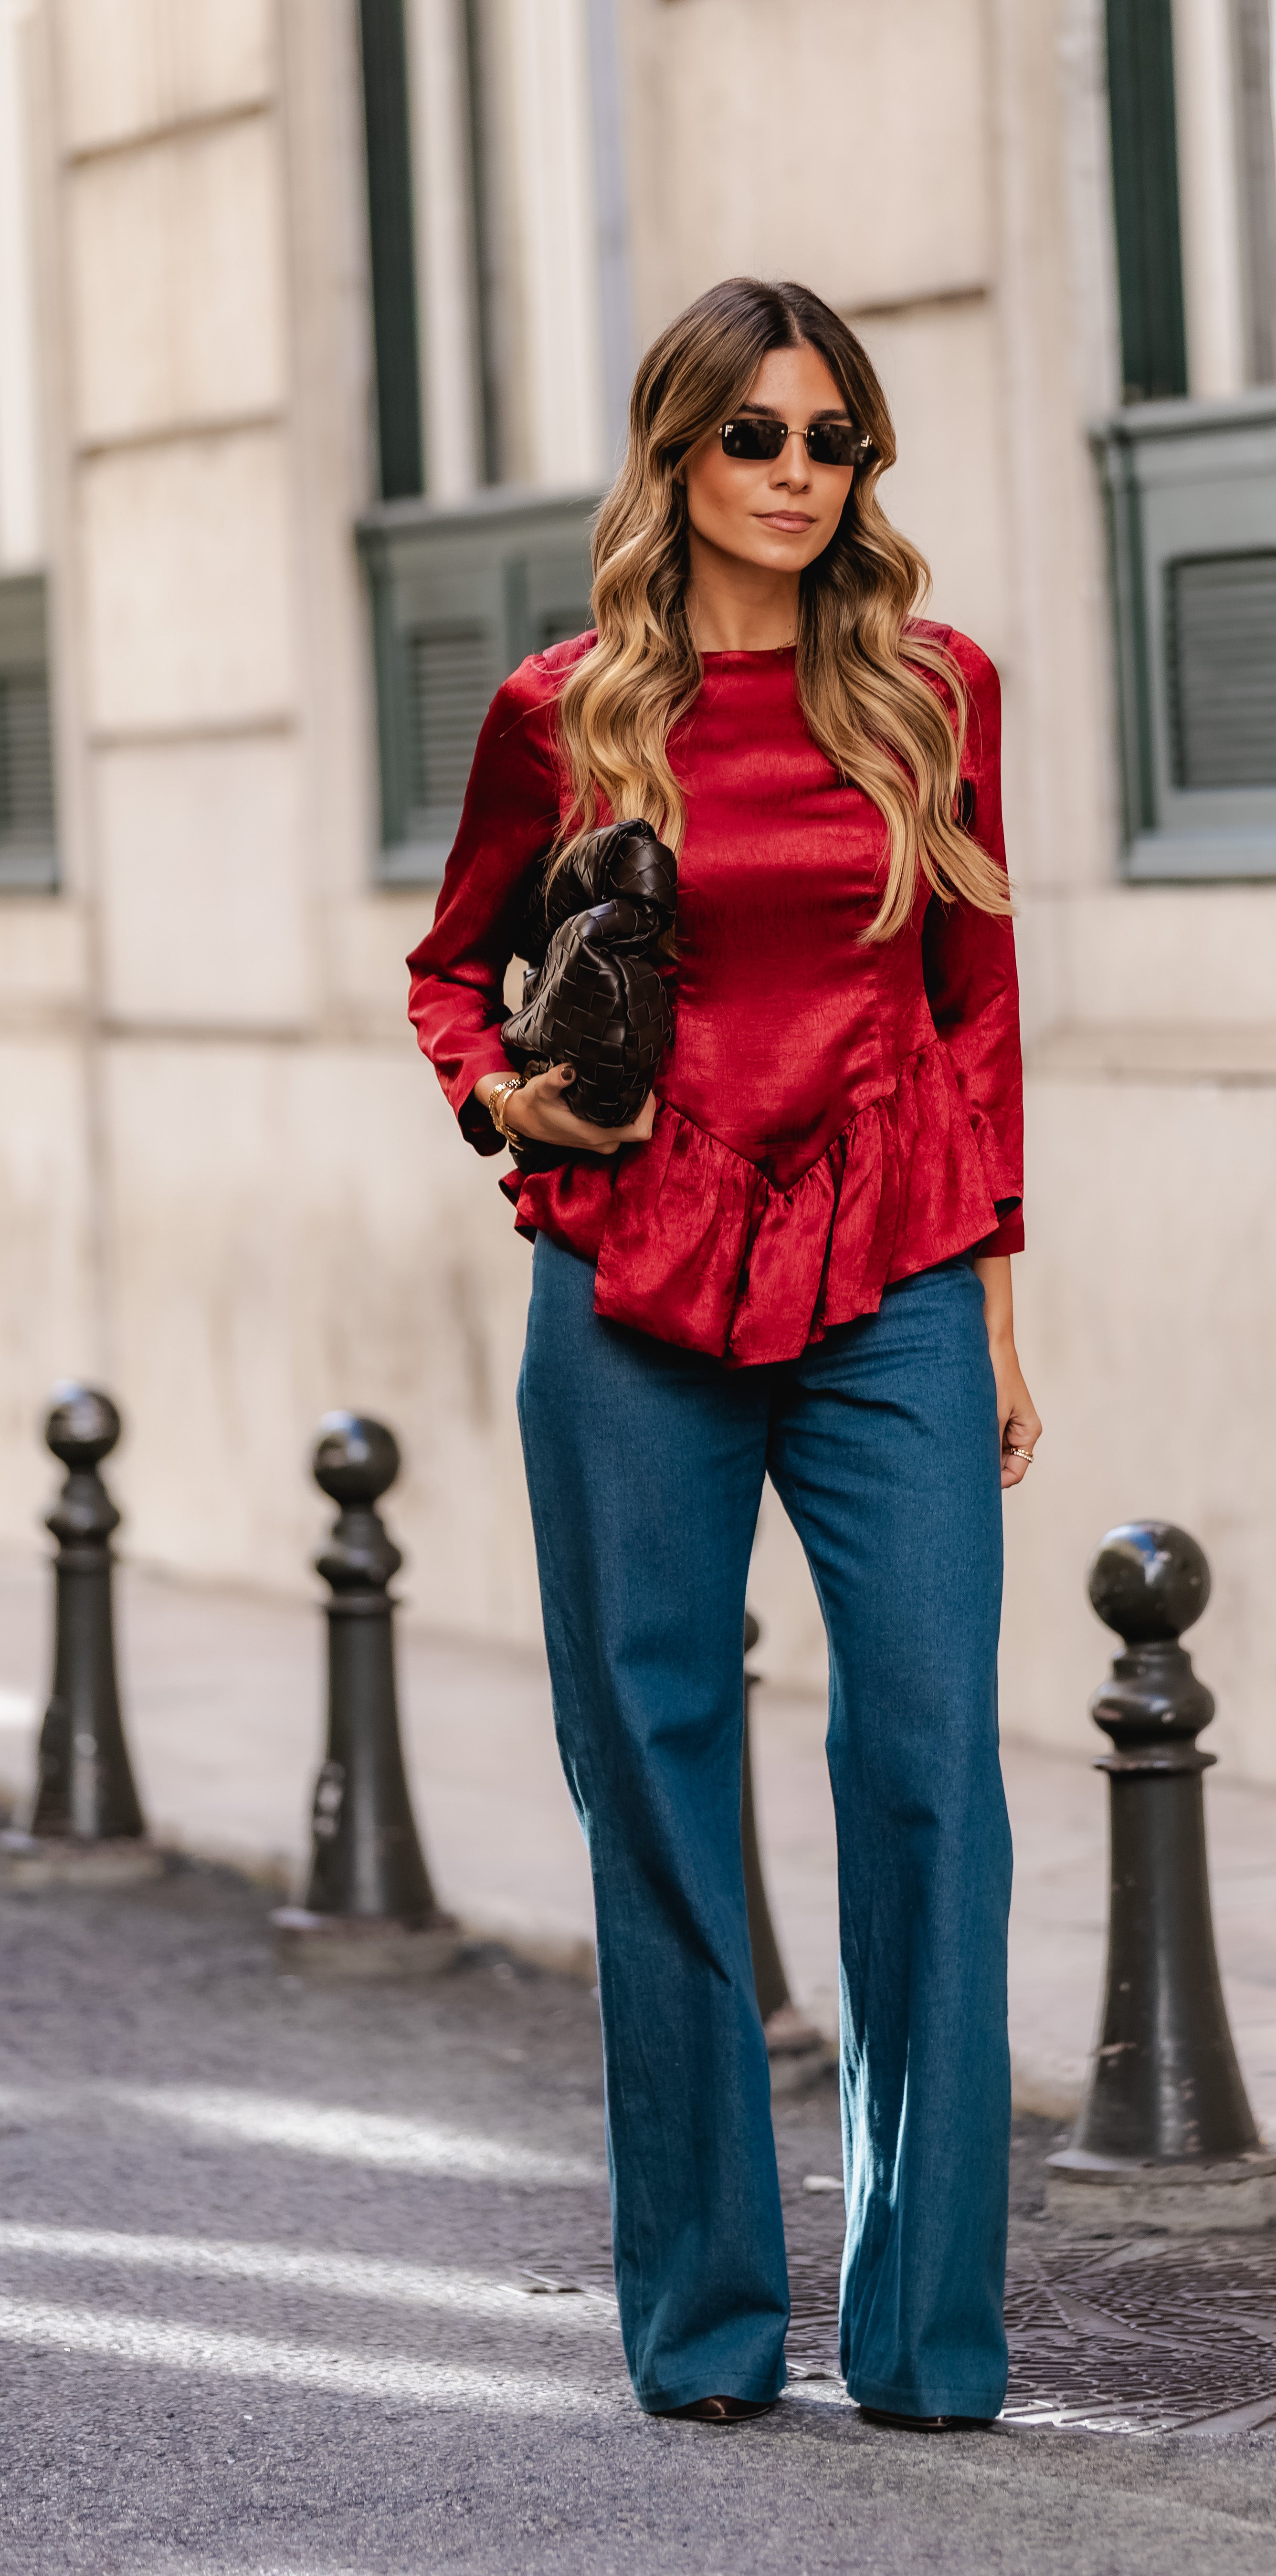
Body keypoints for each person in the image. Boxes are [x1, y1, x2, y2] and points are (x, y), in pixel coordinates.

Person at [407, 276, 1039, 2430]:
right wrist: (507, 1101)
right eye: (754, 436)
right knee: (654, 1782)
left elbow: (975, 1006)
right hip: (632, 1280)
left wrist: (1003, 1315)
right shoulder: (564, 710)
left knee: (933, 1769)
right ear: (674, 454)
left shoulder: (934, 691)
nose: (794, 475)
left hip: (894, 1278)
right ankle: (702, 2322)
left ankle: (928, 2335)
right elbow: (450, 971)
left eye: (832, 440)